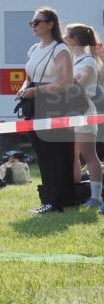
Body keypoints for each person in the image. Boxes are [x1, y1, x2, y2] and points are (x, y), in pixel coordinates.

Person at [16, 7, 77, 213]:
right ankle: (48, 198)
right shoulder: (34, 49)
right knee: (42, 153)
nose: (33, 26)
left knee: (56, 154)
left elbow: (66, 82)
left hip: (55, 105)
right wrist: (24, 89)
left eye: (37, 22)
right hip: (34, 105)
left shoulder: (60, 49)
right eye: (31, 23)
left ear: (50, 24)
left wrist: (37, 92)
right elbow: (29, 77)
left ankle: (57, 200)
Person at [64, 23, 102, 208]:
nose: (63, 38)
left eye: (66, 36)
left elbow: (78, 84)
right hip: (69, 113)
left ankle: (96, 197)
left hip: (83, 112)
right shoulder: (72, 60)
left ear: (75, 40)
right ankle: (73, 193)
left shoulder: (88, 61)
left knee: (88, 155)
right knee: (72, 155)